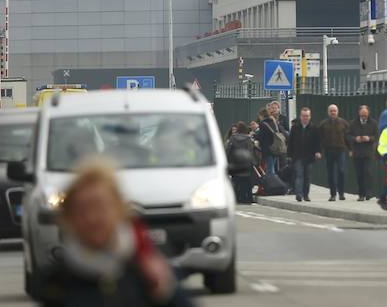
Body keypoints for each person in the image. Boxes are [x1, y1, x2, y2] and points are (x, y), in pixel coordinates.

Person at [40, 159, 192, 306]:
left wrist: (165, 291)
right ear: (69, 218)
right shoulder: (59, 283)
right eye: (82, 209)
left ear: (119, 210)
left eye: (100, 207)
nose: (92, 218)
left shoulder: (149, 270)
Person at [288, 107, 321, 202]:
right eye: (303, 116)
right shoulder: (295, 128)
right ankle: (299, 194)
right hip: (298, 155)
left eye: (307, 116)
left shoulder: (314, 128)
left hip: (309, 156)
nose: (305, 118)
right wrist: (289, 155)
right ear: (300, 116)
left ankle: (306, 194)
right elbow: (290, 142)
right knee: (299, 174)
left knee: (307, 176)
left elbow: (317, 142)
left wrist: (318, 151)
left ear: (310, 117)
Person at [318, 104, 350, 201]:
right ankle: (333, 194)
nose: (333, 112)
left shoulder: (343, 123)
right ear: (328, 112)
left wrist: (351, 149)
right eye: (331, 111)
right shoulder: (323, 124)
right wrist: (319, 151)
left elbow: (348, 137)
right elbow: (319, 138)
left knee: (341, 171)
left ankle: (341, 193)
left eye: (334, 111)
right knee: (331, 173)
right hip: (329, 150)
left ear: (337, 112)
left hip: (340, 150)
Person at [347, 104, 378, 201]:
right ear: (359, 113)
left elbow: (377, 136)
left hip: (368, 152)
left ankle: (369, 193)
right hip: (357, 152)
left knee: (368, 172)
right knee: (359, 174)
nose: (364, 117)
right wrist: (355, 139)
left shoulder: (373, 123)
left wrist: (369, 138)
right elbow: (348, 136)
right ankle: (361, 194)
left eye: (365, 115)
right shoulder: (353, 123)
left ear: (368, 114)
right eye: (362, 115)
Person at [226, 122, 256, 204]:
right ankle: (248, 198)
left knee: (236, 180)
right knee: (247, 181)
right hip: (246, 162)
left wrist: (228, 161)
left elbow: (228, 150)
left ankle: (236, 197)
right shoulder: (248, 138)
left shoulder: (232, 138)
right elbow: (250, 150)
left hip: (235, 162)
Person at [256, 108, 285, 176]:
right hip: (275, 147)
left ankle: (272, 185)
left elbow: (262, 137)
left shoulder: (263, 124)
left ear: (262, 115)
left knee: (270, 170)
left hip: (268, 149)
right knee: (272, 168)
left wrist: (255, 135)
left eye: (259, 116)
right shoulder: (273, 122)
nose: (259, 118)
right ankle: (273, 183)